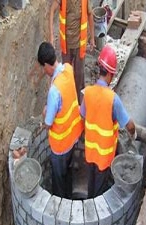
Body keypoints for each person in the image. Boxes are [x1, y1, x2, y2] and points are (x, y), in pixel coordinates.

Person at [80, 45, 136, 198]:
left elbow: (82, 114)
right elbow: (129, 125)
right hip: (104, 157)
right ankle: (93, 217)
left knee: (91, 185)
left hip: (90, 152)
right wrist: (133, 135)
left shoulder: (88, 92)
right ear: (111, 74)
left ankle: (89, 207)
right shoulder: (113, 99)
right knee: (99, 193)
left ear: (99, 69)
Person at [37, 42, 84, 198]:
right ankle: (70, 197)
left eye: (43, 68)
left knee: (58, 180)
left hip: (60, 145)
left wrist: (45, 112)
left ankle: (60, 206)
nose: (44, 71)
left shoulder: (54, 91)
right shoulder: (68, 70)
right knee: (68, 173)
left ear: (46, 65)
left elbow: (49, 123)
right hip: (74, 136)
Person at [49, 0, 95, 104]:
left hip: (80, 45)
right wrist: (51, 36)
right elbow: (52, 11)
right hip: (67, 45)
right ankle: (67, 102)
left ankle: (79, 104)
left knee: (79, 75)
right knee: (66, 76)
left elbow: (90, 15)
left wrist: (92, 38)